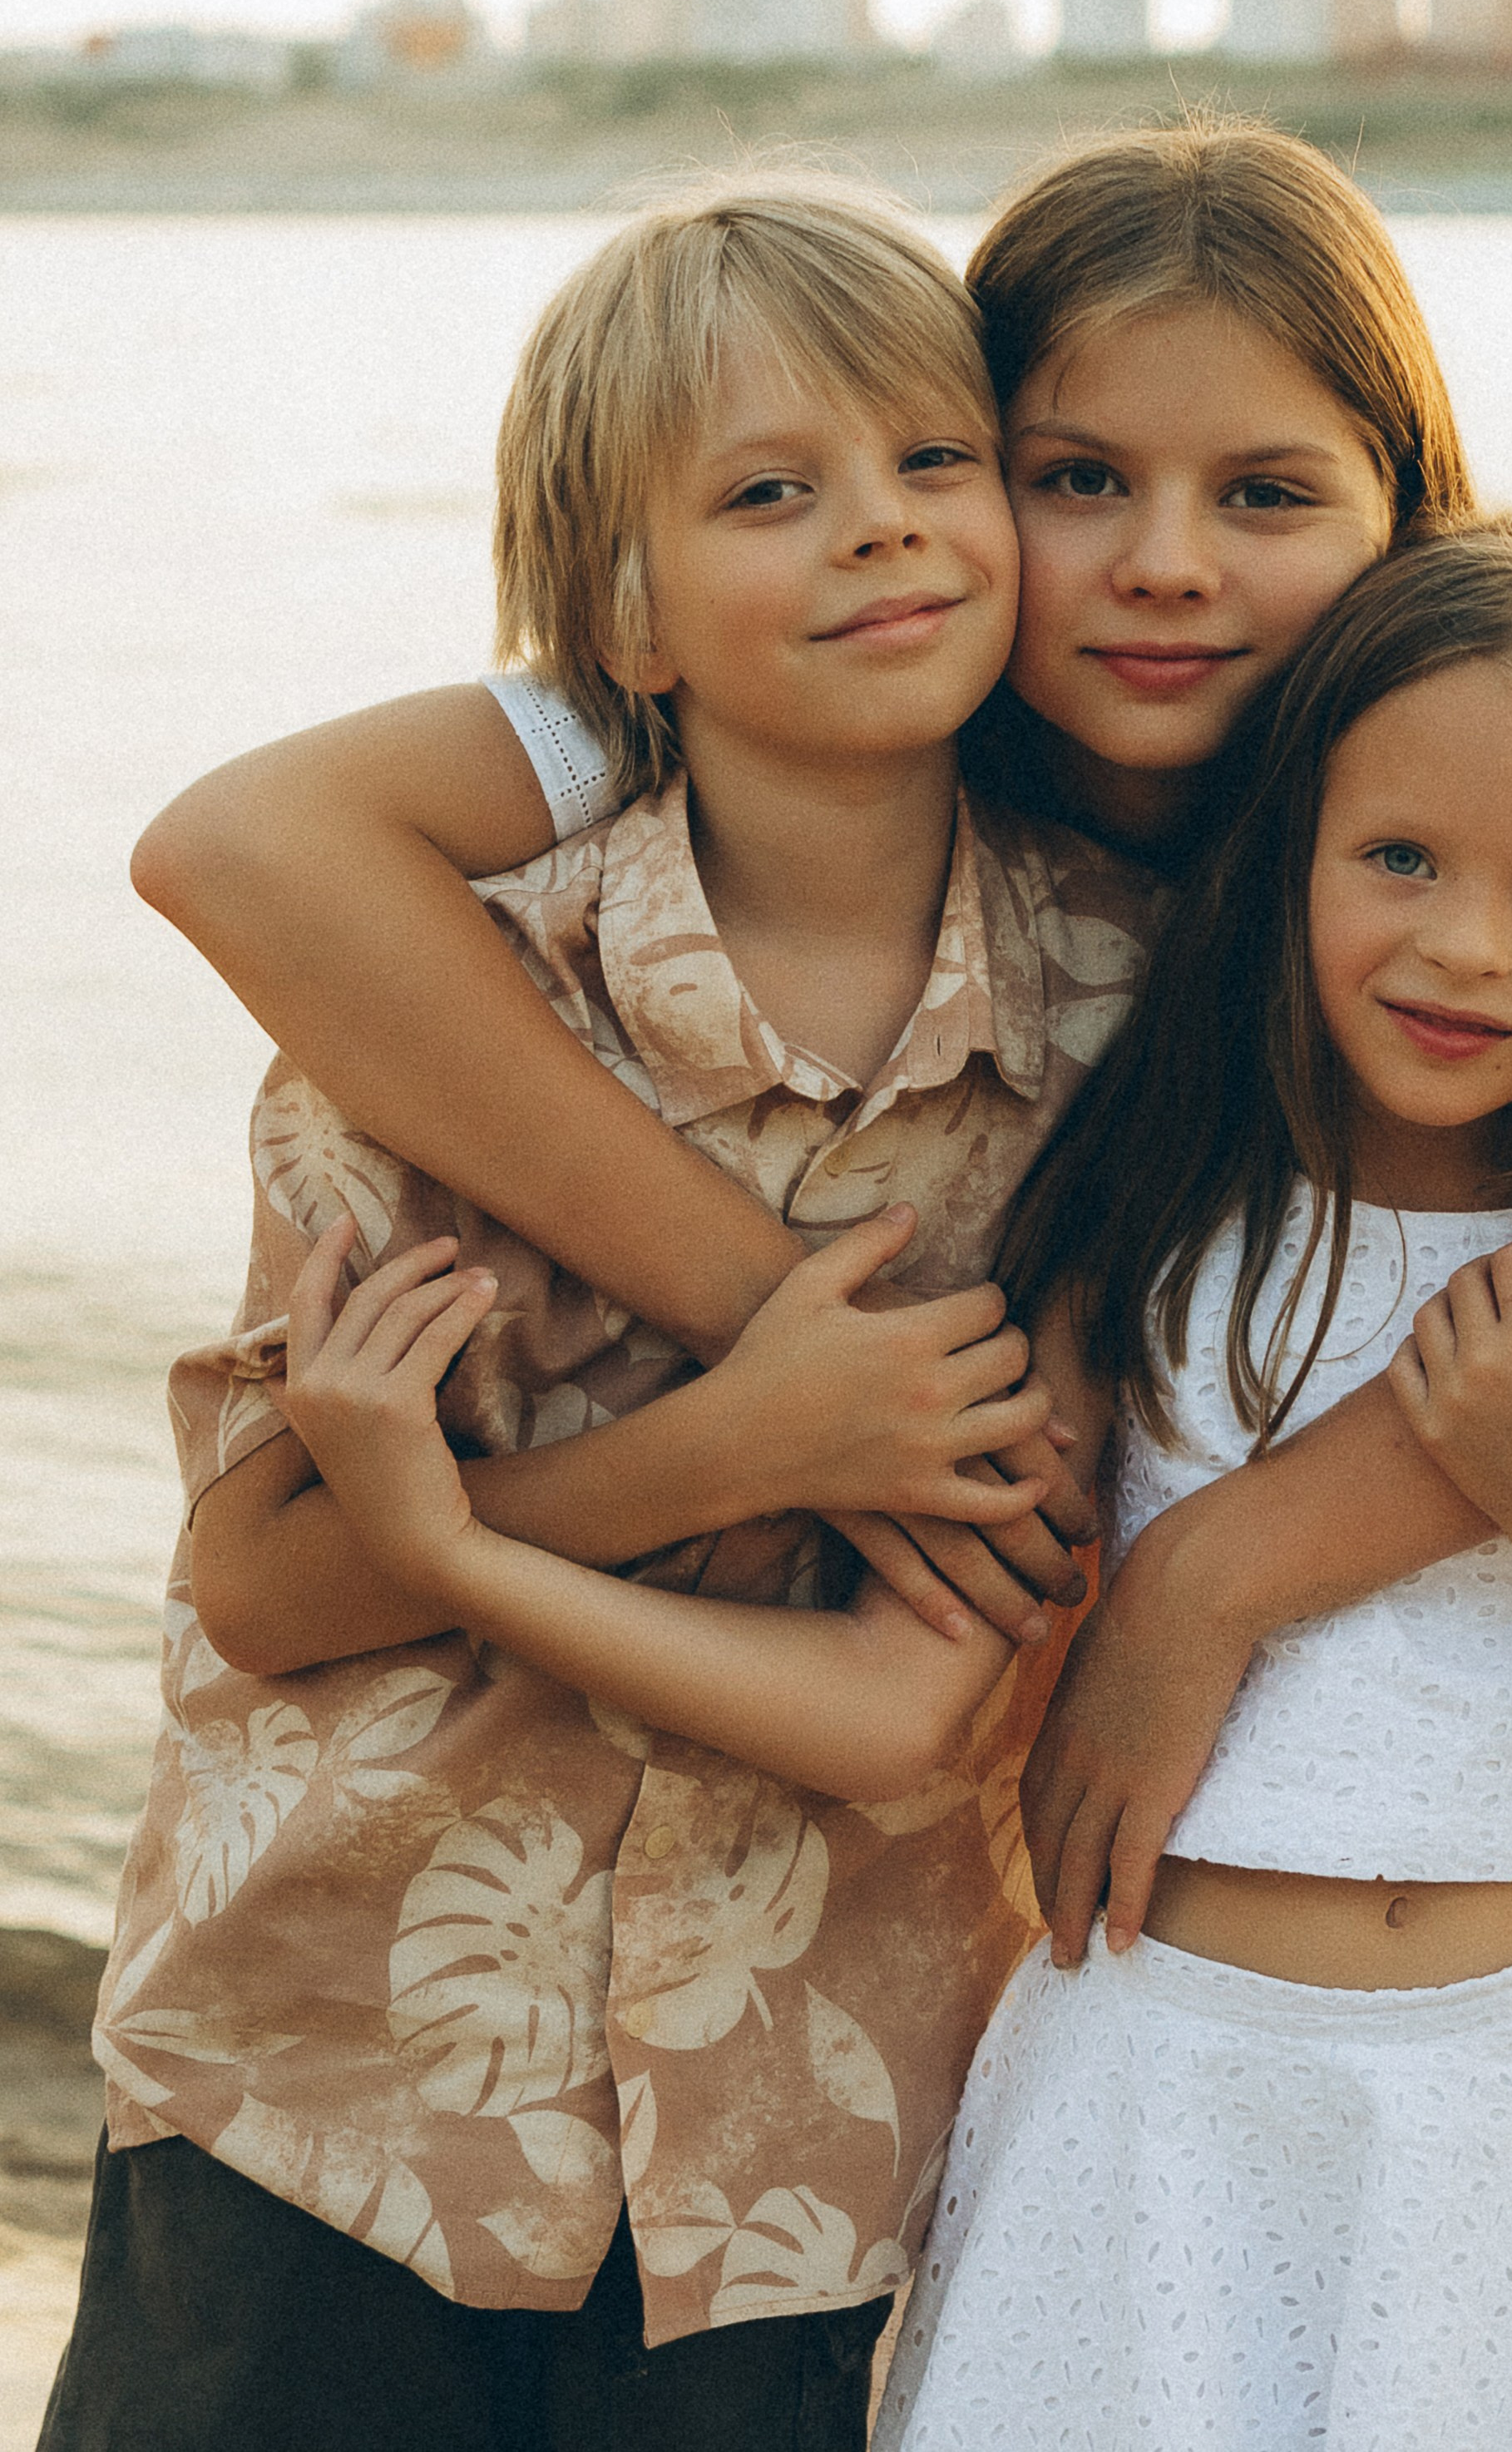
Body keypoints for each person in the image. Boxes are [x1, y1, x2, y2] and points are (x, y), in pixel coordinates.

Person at [130, 124, 1512, 1732]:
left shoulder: (1414, 898)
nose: (1165, 563)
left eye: (1267, 493)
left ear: (1406, 517)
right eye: (1076, 478)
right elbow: (243, 840)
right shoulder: (771, 711)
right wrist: (797, 1340)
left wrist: (1219, 1580)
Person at [47, 181, 1165, 2452]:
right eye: (771, 492)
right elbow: (261, 1586)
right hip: (326, 2086)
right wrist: (724, 1449)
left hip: (814, 2142)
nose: (878, 531)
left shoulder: (1126, 1023)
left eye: (933, 465)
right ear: (621, 624)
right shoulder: (444, 1001)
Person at [871, 517, 1512, 2449]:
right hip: (1165, 2090)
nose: (1467, 945)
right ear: (1287, 856)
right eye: (1397, 856)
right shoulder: (1152, 1203)